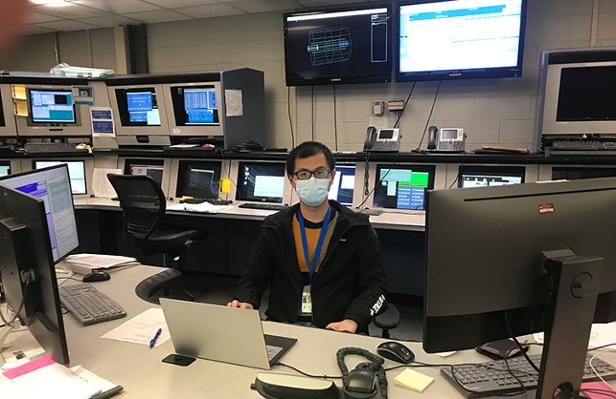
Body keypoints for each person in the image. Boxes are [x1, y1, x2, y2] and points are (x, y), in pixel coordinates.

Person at [228, 141, 387, 334]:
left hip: (337, 327)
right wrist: (246, 301)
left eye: (320, 172)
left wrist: (353, 320)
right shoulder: (275, 227)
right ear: (292, 180)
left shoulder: (357, 228)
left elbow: (375, 286)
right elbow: (253, 278)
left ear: (331, 177)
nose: (312, 180)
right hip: (283, 324)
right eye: (303, 174)